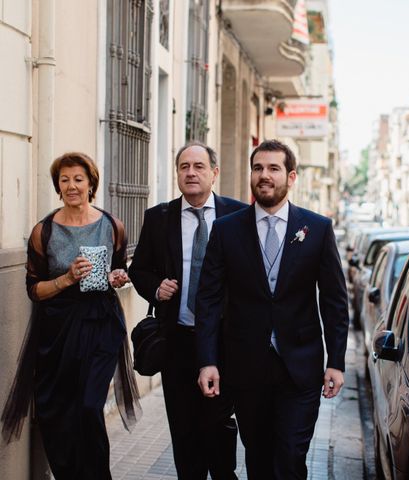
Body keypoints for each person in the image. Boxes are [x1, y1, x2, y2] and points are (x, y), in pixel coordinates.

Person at [196, 139, 350, 479]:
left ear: (291, 177)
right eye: (258, 168)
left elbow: (335, 301)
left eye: (273, 168)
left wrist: (336, 362)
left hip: (300, 366)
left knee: (291, 455)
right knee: (259, 457)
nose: (264, 175)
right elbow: (207, 299)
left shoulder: (318, 229)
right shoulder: (226, 229)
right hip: (246, 367)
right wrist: (208, 360)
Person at [1, 152, 140, 479]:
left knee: (89, 408)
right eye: (64, 180)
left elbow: (116, 270)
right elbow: (33, 290)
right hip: (56, 328)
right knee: (55, 412)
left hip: (100, 323)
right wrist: (67, 279)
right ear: (57, 186)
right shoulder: (44, 231)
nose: (71, 186)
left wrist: (117, 278)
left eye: (78, 179)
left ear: (91, 183)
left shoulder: (112, 226)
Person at [129, 141, 245, 479]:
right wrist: (155, 288)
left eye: (198, 166)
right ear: (177, 173)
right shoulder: (159, 217)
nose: (191, 173)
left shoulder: (237, 215)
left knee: (218, 422)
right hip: (177, 339)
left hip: (223, 341)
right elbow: (140, 269)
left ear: (214, 173)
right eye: (184, 167)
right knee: (183, 428)